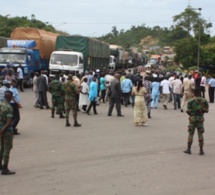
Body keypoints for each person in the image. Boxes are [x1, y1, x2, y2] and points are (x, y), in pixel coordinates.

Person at [184, 89, 209, 155]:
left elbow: (188, 110)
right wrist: (201, 111)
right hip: (200, 118)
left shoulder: (191, 101)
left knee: (191, 133)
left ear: (194, 93)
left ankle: (189, 149)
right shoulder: (204, 100)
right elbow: (206, 110)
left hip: (192, 118)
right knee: (200, 133)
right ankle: (201, 150)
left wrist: (191, 115)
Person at [0, 90, 15, 175]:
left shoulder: (1, 104)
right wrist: (3, 130)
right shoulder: (9, 108)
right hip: (7, 131)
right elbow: (9, 122)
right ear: (11, 97)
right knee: (7, 148)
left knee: (1, 147)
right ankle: (5, 168)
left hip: (0, 129)